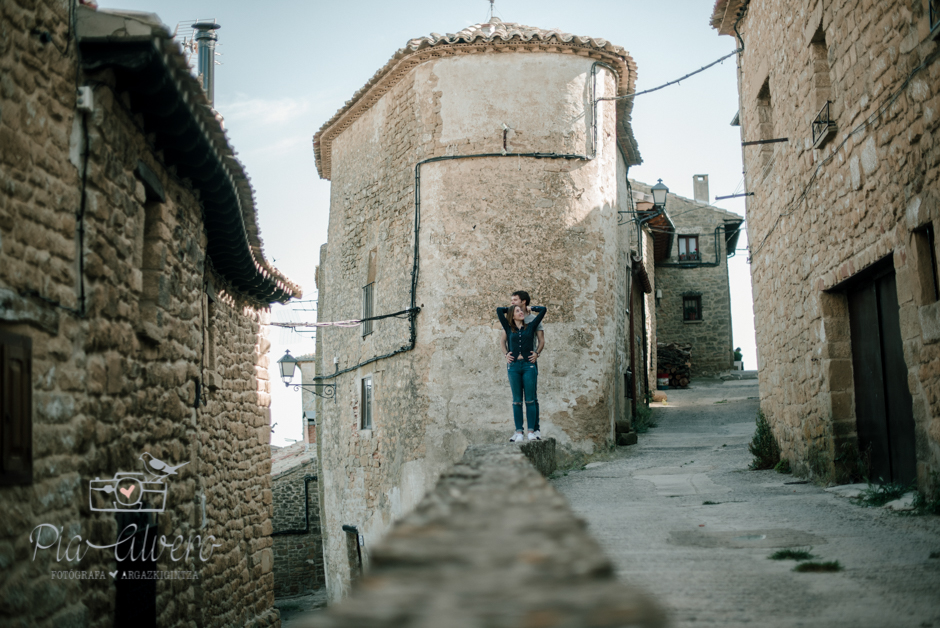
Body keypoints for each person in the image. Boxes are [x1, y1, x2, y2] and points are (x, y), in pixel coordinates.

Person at [497, 302, 547, 443]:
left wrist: (530, 308)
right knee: (517, 401)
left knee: (530, 400)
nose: (521, 313)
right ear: (512, 315)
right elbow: (499, 310)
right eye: (518, 311)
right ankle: (519, 432)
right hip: (513, 367)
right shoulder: (508, 327)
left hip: (528, 366)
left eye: (522, 311)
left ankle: (531, 431)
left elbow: (543, 310)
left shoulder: (530, 326)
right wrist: (506, 353)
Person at [507, 290, 544, 363]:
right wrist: (506, 354)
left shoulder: (534, 319)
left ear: (523, 301)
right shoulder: (510, 319)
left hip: (530, 359)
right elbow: (503, 339)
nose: (512, 302)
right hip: (514, 361)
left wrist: (537, 353)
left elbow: (541, 340)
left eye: (515, 300)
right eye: (512, 300)